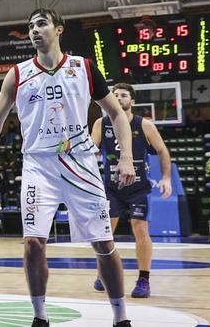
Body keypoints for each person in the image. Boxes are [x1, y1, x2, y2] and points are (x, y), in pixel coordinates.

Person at [0, 8, 136, 327]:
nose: (34, 30)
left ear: (58, 29)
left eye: (41, 24)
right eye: (30, 25)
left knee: (104, 243)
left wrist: (126, 156)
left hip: (81, 164)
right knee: (34, 243)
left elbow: (117, 114)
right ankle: (40, 317)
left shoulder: (84, 68)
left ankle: (121, 319)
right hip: (39, 166)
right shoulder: (18, 73)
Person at [90, 82, 173, 298]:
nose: (118, 98)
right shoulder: (101, 123)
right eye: (114, 94)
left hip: (138, 189)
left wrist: (166, 178)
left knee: (141, 230)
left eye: (123, 95)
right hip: (111, 188)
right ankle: (102, 274)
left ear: (132, 101)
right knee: (104, 234)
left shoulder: (144, 125)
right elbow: (90, 152)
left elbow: (163, 151)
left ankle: (143, 279)